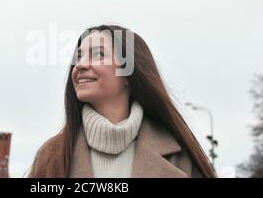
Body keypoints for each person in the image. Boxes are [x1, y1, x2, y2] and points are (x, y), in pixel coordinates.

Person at [27, 24, 216, 178]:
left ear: (128, 75)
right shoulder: (50, 157)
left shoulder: (180, 157)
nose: (80, 65)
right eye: (79, 56)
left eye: (98, 54)